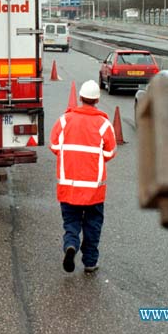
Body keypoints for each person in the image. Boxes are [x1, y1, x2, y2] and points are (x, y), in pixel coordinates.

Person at [49, 80, 116, 274]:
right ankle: (90, 263)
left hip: (68, 187)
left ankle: (70, 245)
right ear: (97, 99)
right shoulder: (104, 124)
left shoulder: (64, 120)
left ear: (80, 97)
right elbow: (110, 152)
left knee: (71, 223)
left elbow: (54, 147)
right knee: (93, 225)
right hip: (94, 190)